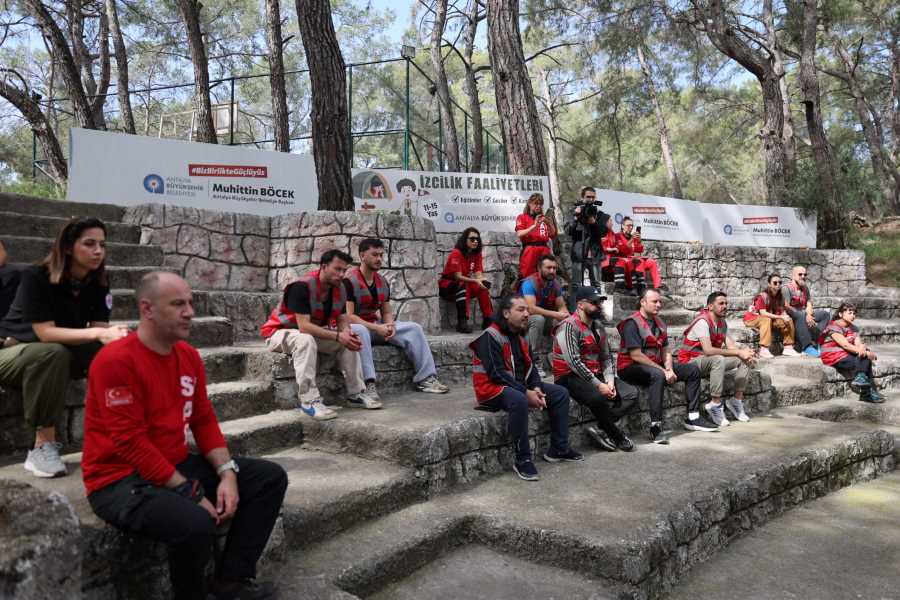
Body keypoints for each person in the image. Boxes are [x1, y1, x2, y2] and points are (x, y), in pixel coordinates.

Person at [83, 272, 288, 600]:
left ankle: (231, 582)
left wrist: (227, 473)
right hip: (118, 480)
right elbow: (130, 442)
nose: (190, 312)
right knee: (195, 523)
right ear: (147, 309)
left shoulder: (188, 356)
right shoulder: (115, 361)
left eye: (190, 303)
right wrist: (190, 493)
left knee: (268, 478)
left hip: (172, 463)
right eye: (178, 304)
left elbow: (204, 420)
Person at [0, 218, 128, 478]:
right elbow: (45, 333)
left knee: (116, 355)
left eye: (102, 245)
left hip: (53, 351)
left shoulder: (98, 281)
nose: (98, 251)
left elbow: (100, 329)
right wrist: (100, 333)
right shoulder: (37, 276)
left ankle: (124, 435)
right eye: (89, 244)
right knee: (52, 353)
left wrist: (116, 339)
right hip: (12, 351)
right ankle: (41, 447)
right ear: (68, 247)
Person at [470, 295, 583, 481]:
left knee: (561, 394)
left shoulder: (521, 338)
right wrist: (526, 392)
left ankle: (559, 449)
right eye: (521, 310)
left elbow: (531, 367)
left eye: (527, 310)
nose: (527, 314)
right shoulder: (489, 336)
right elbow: (496, 374)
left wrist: (536, 387)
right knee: (519, 399)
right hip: (491, 390)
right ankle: (522, 460)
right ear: (506, 313)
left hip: (516, 386)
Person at [260, 249, 377, 421]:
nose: (341, 274)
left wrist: (345, 332)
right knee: (305, 339)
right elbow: (304, 327)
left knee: (349, 340)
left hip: (306, 334)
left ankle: (355, 393)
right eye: (337, 269)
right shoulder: (301, 287)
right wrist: (337, 336)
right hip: (278, 333)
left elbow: (342, 317)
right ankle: (309, 400)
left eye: (344, 270)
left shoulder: (340, 287)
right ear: (324, 266)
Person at [344, 238, 449, 396]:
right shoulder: (349, 281)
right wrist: (377, 328)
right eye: (374, 255)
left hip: (374, 326)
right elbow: (349, 316)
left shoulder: (382, 281)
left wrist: (390, 326)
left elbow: (386, 312)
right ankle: (368, 384)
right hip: (355, 328)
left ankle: (426, 378)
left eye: (381, 255)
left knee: (414, 328)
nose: (379, 259)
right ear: (362, 256)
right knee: (361, 330)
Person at [616, 288, 716, 443]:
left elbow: (665, 349)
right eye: (654, 301)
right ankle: (655, 427)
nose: (659, 305)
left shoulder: (660, 323)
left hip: (654, 365)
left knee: (692, 370)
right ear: (642, 302)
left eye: (660, 301)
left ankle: (693, 418)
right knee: (658, 375)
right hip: (629, 367)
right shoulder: (632, 323)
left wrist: (669, 368)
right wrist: (663, 370)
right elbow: (635, 355)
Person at [551, 286, 638, 452]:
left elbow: (606, 357)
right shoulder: (568, 327)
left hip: (594, 373)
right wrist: (600, 385)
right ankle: (616, 435)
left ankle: (601, 427)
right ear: (581, 305)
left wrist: (610, 381)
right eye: (594, 302)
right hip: (569, 376)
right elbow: (574, 362)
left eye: (600, 302)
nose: (599, 306)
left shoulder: (598, 326)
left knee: (630, 393)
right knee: (597, 398)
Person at [675, 291, 756, 427]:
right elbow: (708, 350)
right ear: (710, 306)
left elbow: (731, 346)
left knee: (745, 359)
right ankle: (715, 404)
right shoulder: (702, 321)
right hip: (690, 363)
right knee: (718, 358)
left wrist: (744, 351)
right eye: (721, 303)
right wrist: (738, 352)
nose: (725, 306)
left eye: (726, 303)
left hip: (707, 362)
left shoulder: (722, 322)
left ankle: (736, 401)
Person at [819, 302, 885, 403]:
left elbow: (858, 344)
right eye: (850, 313)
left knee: (865, 358)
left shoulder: (853, 328)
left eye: (854, 313)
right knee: (865, 358)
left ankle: (864, 384)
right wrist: (866, 352)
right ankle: (868, 392)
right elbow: (845, 345)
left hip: (846, 353)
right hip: (833, 355)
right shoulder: (833, 326)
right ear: (841, 314)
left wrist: (863, 348)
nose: (853, 316)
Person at [519, 254, 569, 377]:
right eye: (548, 268)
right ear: (539, 268)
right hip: (521, 321)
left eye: (554, 268)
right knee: (538, 319)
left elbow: (561, 305)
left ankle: (559, 357)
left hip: (543, 319)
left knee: (564, 321)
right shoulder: (529, 283)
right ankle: (533, 360)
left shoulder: (555, 283)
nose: (552, 271)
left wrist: (565, 315)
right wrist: (555, 314)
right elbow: (531, 309)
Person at [439, 227, 494, 333]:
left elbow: (478, 273)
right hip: (447, 285)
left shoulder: (476, 254)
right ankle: (462, 322)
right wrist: (475, 281)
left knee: (483, 287)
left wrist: (482, 281)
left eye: (477, 239)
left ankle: (488, 319)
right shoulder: (457, 253)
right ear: (465, 240)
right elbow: (457, 276)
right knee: (464, 284)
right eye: (472, 239)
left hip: (464, 283)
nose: (476, 241)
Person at [565, 186, 610, 310]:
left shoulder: (599, 214)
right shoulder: (574, 212)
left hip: (594, 255)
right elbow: (568, 231)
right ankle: (575, 312)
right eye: (588, 197)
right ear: (582, 198)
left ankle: (597, 312)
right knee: (575, 285)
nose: (590, 199)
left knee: (596, 284)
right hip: (579, 254)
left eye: (593, 197)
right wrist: (576, 217)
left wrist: (593, 222)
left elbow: (603, 232)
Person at [743, 274, 799, 359]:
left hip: (768, 319)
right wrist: (780, 317)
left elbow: (782, 312)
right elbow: (763, 313)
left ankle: (788, 347)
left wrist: (785, 316)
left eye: (780, 282)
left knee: (788, 319)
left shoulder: (780, 297)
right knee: (766, 319)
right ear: (769, 284)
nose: (778, 285)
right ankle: (764, 349)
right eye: (775, 283)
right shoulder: (763, 296)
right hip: (752, 318)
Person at [782, 265, 830, 358]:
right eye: (800, 274)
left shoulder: (805, 288)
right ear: (793, 275)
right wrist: (804, 314)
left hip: (803, 314)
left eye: (805, 274)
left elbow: (808, 303)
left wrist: (808, 314)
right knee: (800, 315)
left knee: (825, 315)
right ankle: (806, 346)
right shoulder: (786, 288)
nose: (803, 276)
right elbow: (786, 306)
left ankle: (815, 339)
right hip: (791, 315)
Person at [616, 216, 667, 293]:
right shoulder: (618, 236)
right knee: (639, 261)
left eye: (632, 225)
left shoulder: (632, 236)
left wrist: (639, 241)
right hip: (624, 262)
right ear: (622, 226)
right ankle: (640, 287)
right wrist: (632, 240)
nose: (630, 227)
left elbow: (639, 250)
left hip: (634, 259)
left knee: (651, 262)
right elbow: (622, 250)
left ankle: (658, 286)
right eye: (628, 225)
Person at [515, 193, 556, 278]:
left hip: (544, 249)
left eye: (540, 204)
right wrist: (534, 226)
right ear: (529, 203)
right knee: (527, 275)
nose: (538, 206)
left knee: (547, 275)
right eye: (536, 204)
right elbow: (519, 233)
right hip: (530, 249)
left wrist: (549, 223)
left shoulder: (543, 218)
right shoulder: (522, 217)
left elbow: (552, 234)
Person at [600, 217, 634, 295]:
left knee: (632, 262)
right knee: (621, 261)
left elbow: (617, 245)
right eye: (610, 220)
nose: (612, 222)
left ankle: (632, 287)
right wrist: (612, 249)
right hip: (607, 259)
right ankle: (619, 287)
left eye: (632, 225)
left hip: (615, 258)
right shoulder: (603, 232)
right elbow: (601, 246)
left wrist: (617, 248)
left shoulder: (612, 233)